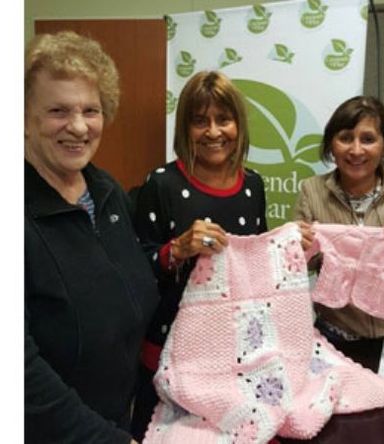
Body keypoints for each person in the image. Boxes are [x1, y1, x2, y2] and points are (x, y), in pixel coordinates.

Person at [24, 31, 159, 443]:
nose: (79, 126)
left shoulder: (107, 193)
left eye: (91, 110)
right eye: (58, 110)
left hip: (121, 418)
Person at [128, 70, 269, 440]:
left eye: (223, 119)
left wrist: (292, 247)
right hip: (166, 351)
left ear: (238, 124)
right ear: (184, 128)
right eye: (199, 120)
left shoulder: (253, 185)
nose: (213, 131)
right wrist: (176, 250)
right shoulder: (161, 184)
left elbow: (255, 266)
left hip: (233, 353)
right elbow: (132, 268)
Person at [294, 95, 384, 373]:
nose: (356, 150)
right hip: (336, 337)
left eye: (368, 139)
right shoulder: (312, 191)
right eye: (346, 138)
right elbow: (298, 269)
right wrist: (296, 246)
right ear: (331, 145)